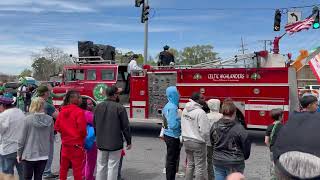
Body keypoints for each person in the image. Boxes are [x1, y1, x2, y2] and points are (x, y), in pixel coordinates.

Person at [273, 95, 320, 179]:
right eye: (316, 104)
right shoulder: (317, 118)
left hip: (283, 163)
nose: (317, 106)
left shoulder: (293, 118)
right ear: (309, 105)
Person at [94, 85, 132, 180]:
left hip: (101, 141)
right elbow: (125, 127)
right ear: (115, 95)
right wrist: (129, 141)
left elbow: (94, 124)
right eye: (118, 93)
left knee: (101, 166)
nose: (119, 95)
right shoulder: (120, 108)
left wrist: (97, 136)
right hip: (115, 142)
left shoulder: (98, 106)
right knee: (113, 167)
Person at [210, 101, 251, 180]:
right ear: (234, 112)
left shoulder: (215, 125)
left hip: (218, 160)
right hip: (235, 161)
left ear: (222, 111)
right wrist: (243, 157)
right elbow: (246, 146)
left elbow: (212, 142)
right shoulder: (239, 128)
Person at [17, 97, 54, 180]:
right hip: (43, 154)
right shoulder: (50, 119)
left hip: (29, 154)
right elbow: (51, 139)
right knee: (38, 177)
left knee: (27, 177)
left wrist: (19, 153)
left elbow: (21, 139)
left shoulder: (27, 120)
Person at [54, 90, 87, 180]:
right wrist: (82, 137)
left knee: (63, 168)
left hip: (65, 144)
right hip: (77, 145)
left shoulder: (62, 111)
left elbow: (57, 127)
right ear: (72, 99)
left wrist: (66, 132)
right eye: (79, 97)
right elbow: (82, 130)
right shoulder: (79, 112)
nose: (80, 99)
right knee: (77, 170)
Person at [181, 92, 211, 180]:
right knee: (200, 167)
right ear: (196, 100)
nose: (204, 99)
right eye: (202, 98)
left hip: (186, 141)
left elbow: (183, 124)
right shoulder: (200, 112)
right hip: (198, 142)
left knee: (190, 164)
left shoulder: (185, 109)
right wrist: (206, 140)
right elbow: (205, 131)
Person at [0, 96, 25, 180]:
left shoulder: (3, 115)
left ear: (2, 105)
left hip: (8, 149)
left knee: (7, 176)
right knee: (23, 174)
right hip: (21, 148)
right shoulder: (20, 112)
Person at [37, 85, 59, 179]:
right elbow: (58, 117)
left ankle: (40, 171)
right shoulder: (47, 105)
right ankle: (46, 172)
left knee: (40, 152)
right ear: (46, 93)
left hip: (37, 131)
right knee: (48, 152)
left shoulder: (34, 102)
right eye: (48, 92)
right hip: (48, 132)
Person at [162, 86, 181, 180]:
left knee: (170, 159)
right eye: (177, 93)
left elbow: (165, 122)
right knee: (172, 161)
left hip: (167, 134)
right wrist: (180, 120)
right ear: (173, 94)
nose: (179, 95)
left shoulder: (167, 105)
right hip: (173, 136)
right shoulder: (173, 107)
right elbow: (173, 125)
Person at [80, 98, 97, 180]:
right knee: (91, 161)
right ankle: (89, 177)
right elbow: (97, 123)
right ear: (84, 105)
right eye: (90, 104)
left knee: (83, 159)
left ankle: (83, 175)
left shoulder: (79, 112)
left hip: (81, 139)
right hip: (90, 140)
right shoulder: (88, 114)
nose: (92, 105)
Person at [264, 108, 284, 179]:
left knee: (273, 164)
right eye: (282, 115)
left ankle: (273, 177)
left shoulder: (269, 126)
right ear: (280, 117)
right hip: (281, 150)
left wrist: (270, 147)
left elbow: (266, 141)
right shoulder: (283, 126)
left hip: (272, 150)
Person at [206, 99, 223, 180]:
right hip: (220, 143)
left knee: (209, 161)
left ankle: (211, 177)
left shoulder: (206, 116)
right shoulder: (221, 116)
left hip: (208, 142)